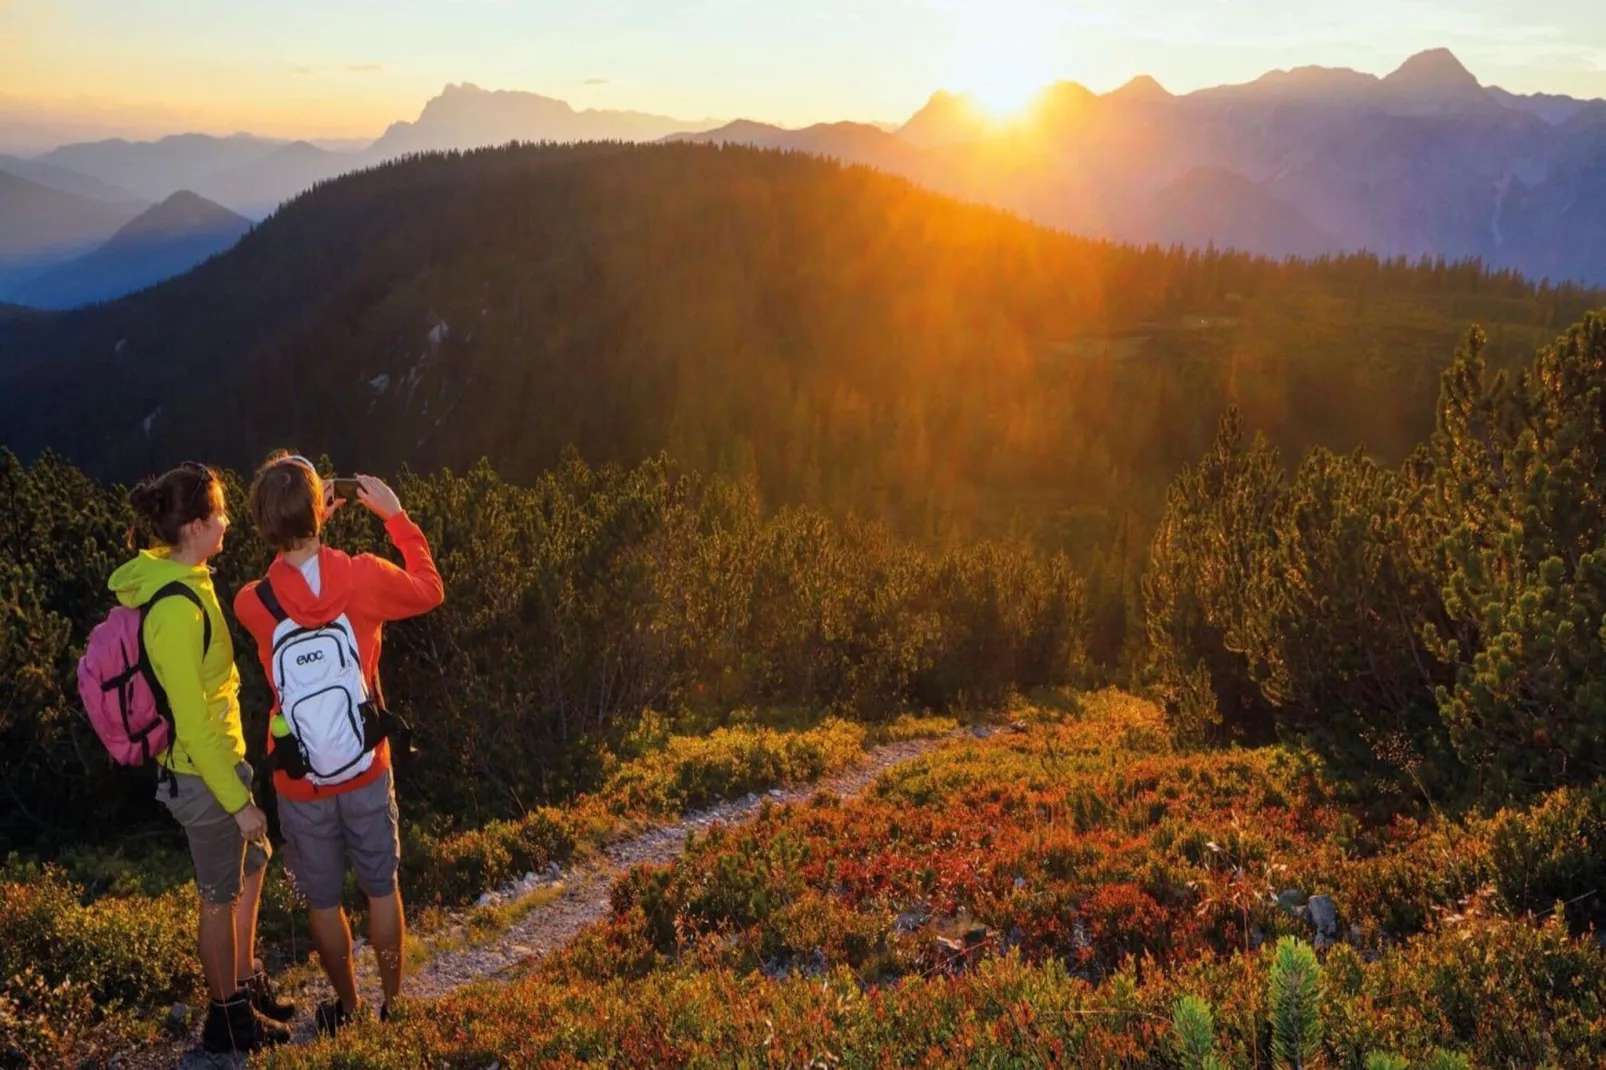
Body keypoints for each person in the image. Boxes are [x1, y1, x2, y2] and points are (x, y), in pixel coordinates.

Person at [234, 452, 443, 1035]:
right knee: (382, 886)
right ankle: (394, 1004)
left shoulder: (253, 604)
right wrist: (396, 518)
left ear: (265, 525)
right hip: (367, 764)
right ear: (320, 514)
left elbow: (276, 584)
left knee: (323, 902)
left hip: (299, 780)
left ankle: (348, 1006)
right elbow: (430, 589)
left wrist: (296, 527)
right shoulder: (366, 576)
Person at [112, 462, 293, 1053]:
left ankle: (243, 982)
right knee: (219, 900)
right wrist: (238, 802)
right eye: (217, 513)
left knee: (253, 865)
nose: (227, 521)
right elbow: (190, 722)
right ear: (192, 526)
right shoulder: (175, 611)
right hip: (203, 777)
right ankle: (226, 1020)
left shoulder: (192, 577)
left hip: (223, 762)